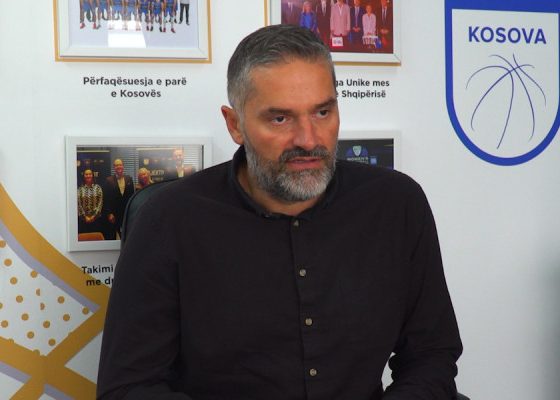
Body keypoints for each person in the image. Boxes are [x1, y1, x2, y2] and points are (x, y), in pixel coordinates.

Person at [97, 24, 462, 400]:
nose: (308, 139)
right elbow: (129, 387)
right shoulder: (168, 219)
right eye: (280, 119)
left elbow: (431, 355)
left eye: (323, 112)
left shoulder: (396, 204)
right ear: (235, 124)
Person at [102, 158, 135, 240]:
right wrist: (109, 213)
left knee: (126, 236)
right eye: (116, 165)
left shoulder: (129, 179)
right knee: (113, 237)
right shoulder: (108, 180)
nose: (118, 167)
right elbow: (106, 198)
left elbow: (132, 197)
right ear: (114, 167)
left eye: (120, 165)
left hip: (126, 213)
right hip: (114, 215)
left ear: (123, 166)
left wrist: (131, 213)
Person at [77, 169, 104, 237]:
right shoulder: (80, 189)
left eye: (90, 174)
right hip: (83, 221)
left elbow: (100, 203)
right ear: (84, 176)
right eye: (86, 174)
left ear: (92, 175)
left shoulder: (98, 188)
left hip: (96, 220)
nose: (88, 176)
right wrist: (85, 217)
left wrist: (93, 216)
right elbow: (78, 204)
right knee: (84, 239)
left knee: (96, 238)